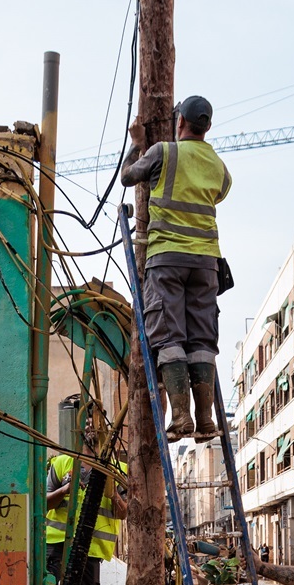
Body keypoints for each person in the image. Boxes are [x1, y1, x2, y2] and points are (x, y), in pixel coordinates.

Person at [121, 94, 231, 441]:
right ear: (208, 126)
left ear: (179, 121)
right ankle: (207, 420)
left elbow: (127, 177)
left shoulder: (163, 152)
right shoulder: (219, 167)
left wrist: (138, 144)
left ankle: (181, 418)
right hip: (206, 264)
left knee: (168, 336)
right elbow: (221, 192)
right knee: (201, 339)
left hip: (166, 258)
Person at [44, 416, 124, 585]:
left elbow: (124, 512)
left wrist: (112, 494)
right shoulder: (60, 464)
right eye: (86, 425)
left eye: (95, 426)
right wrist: (66, 489)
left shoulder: (116, 469)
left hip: (91, 549)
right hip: (57, 545)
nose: (91, 431)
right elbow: (44, 502)